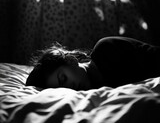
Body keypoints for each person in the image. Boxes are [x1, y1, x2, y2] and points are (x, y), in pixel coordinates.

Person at [26, 36, 160, 90]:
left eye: (63, 78)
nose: (70, 88)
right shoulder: (92, 92)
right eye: (61, 89)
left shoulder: (106, 49)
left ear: (71, 61)